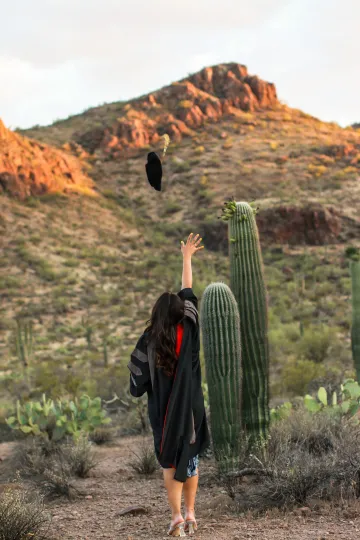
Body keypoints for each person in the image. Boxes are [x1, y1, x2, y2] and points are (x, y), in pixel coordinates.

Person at [128, 233, 210, 537]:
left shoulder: (148, 341)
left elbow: (137, 382)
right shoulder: (190, 328)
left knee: (169, 462)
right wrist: (186, 257)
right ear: (181, 313)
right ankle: (191, 514)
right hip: (190, 409)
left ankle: (175, 517)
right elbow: (187, 291)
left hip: (162, 412)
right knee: (191, 459)